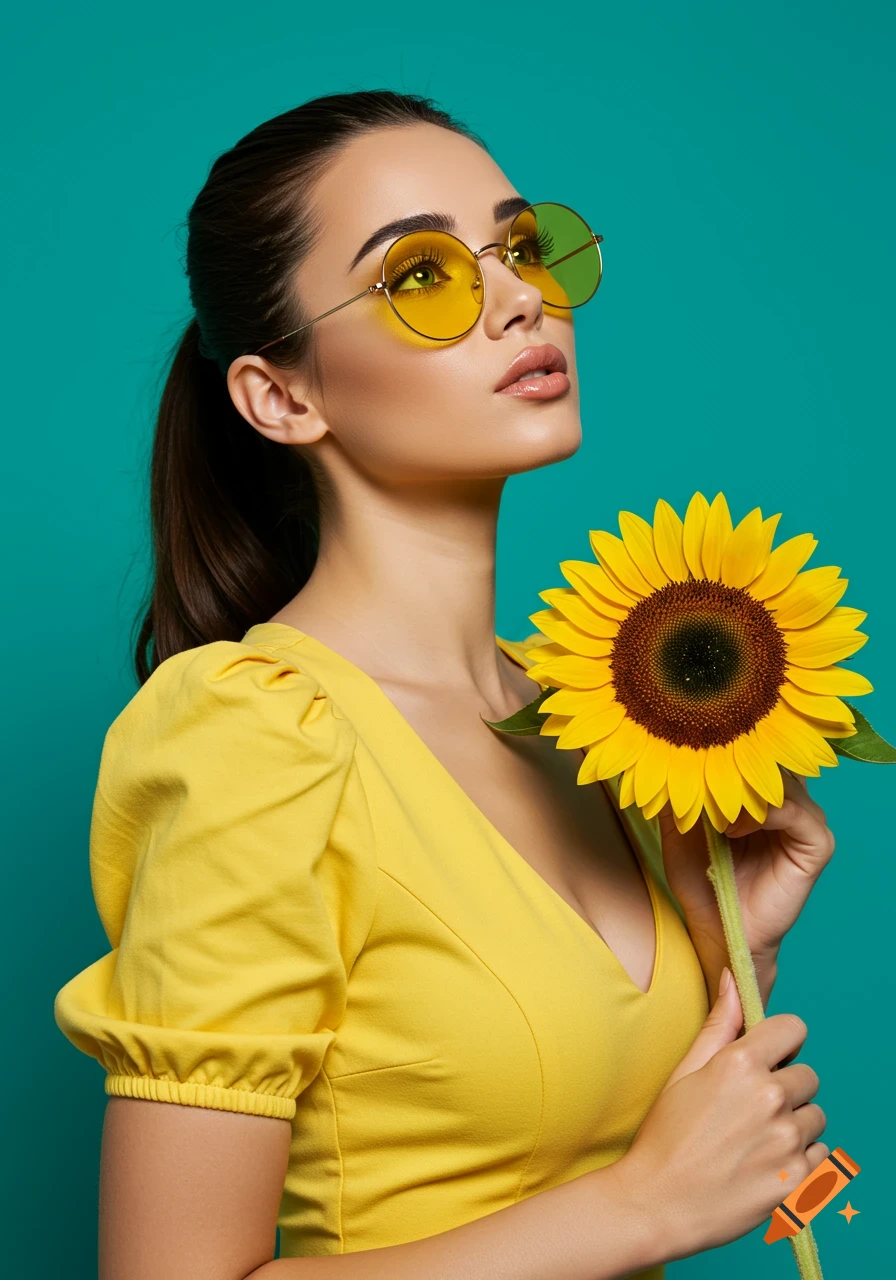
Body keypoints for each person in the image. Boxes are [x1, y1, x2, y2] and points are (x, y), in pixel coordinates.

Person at [54, 89, 832, 1279]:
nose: (520, 297)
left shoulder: (592, 718)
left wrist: (735, 946)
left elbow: (624, 1123)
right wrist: (636, 1209)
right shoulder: (257, 736)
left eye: (521, 246)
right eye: (420, 275)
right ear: (282, 396)